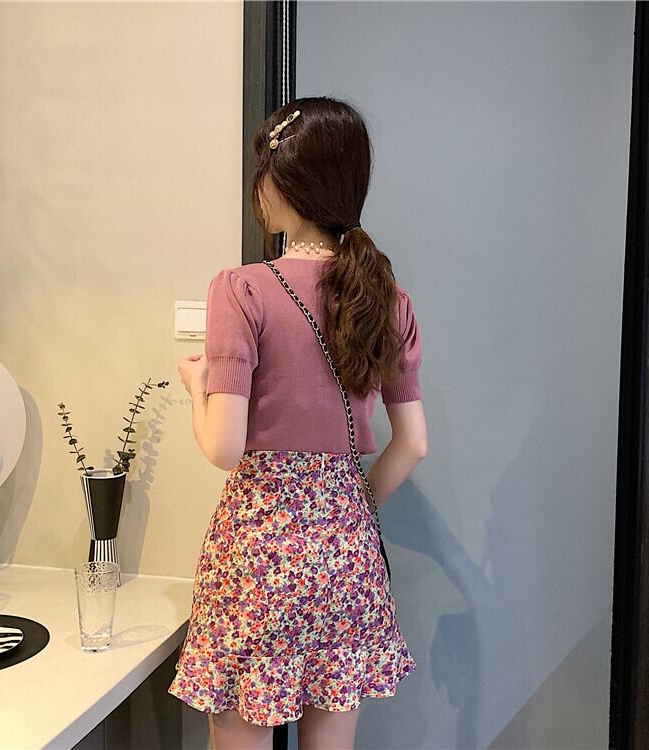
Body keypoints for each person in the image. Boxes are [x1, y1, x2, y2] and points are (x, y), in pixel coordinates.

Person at [167, 96, 428, 750]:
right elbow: (413, 445)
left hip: (259, 554)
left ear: (283, 183)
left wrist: (198, 389)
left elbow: (224, 448)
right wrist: (347, 505)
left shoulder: (242, 289)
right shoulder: (388, 300)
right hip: (346, 552)